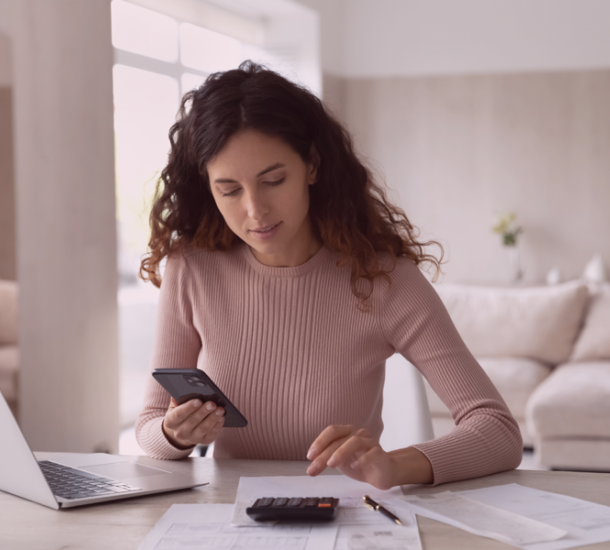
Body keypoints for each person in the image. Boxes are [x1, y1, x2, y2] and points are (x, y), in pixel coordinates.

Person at [136, 61, 522, 489]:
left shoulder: (383, 278)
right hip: (230, 517)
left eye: (274, 180)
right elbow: (150, 426)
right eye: (229, 190)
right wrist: (175, 434)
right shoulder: (192, 268)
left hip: (344, 517)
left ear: (313, 166)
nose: (255, 211)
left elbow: (498, 430)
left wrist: (396, 466)